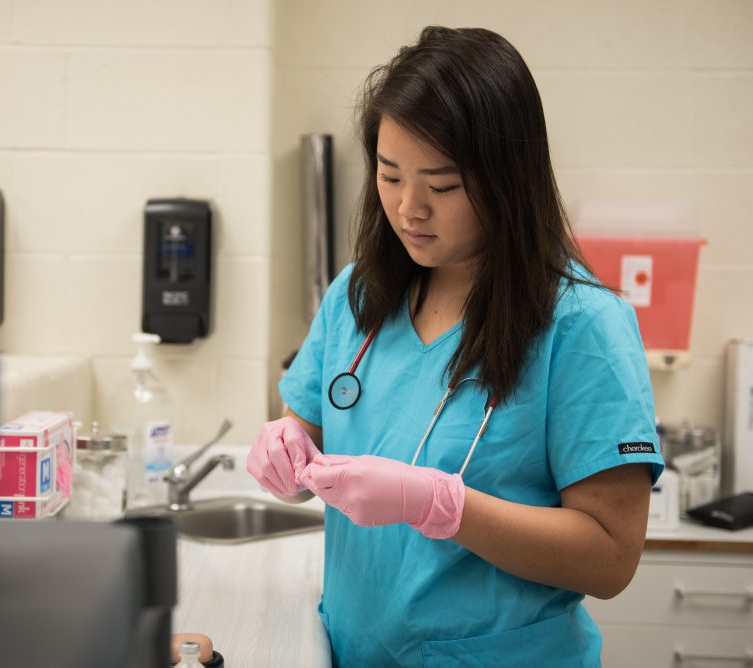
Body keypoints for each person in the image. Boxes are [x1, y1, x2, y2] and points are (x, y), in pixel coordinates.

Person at [247, 26, 664, 667]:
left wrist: (442, 505)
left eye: (440, 186)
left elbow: (610, 558)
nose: (409, 208)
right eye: (389, 176)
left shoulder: (583, 326)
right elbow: (311, 436)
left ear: (506, 179)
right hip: (352, 651)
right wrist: (285, 454)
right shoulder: (358, 296)